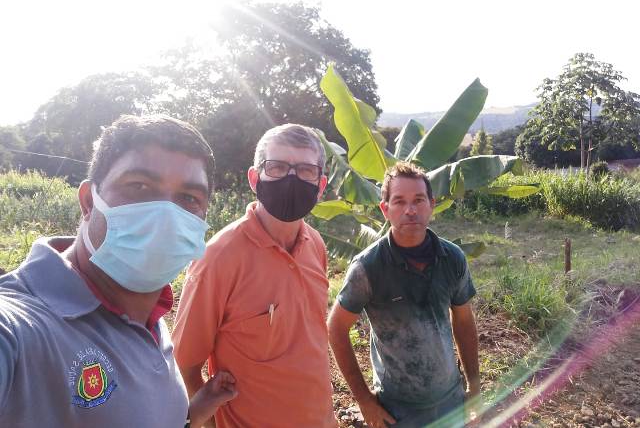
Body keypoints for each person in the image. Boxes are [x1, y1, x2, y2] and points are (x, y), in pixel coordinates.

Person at [0, 115, 237, 427]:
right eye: (139, 186)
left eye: (189, 198)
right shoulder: (19, 329)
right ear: (88, 201)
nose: (165, 215)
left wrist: (192, 413)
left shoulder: (149, 313)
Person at [172, 123, 338, 428]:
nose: (291, 179)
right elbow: (185, 365)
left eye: (305, 171)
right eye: (276, 167)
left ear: (321, 184)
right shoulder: (219, 257)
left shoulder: (315, 244)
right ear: (254, 178)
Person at [328, 162, 481, 428]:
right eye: (399, 202)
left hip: (450, 400)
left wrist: (474, 385)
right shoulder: (368, 267)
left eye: (418, 200)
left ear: (431, 204)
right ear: (385, 209)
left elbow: (464, 321)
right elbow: (335, 328)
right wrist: (364, 400)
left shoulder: (452, 258)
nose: (410, 210)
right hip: (397, 409)